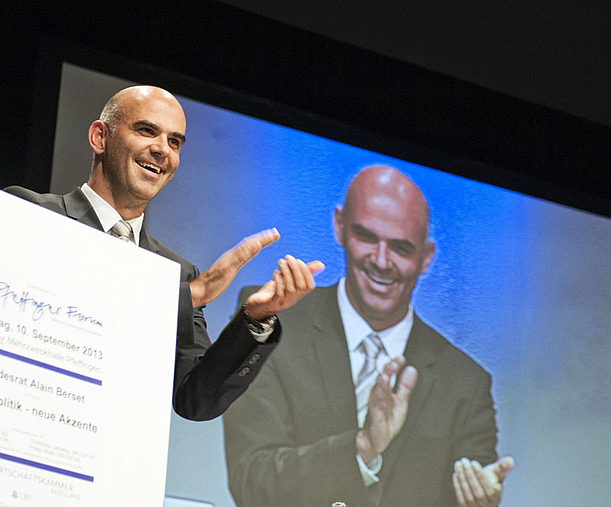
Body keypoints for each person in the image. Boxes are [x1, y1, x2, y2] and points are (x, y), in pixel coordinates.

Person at [3, 85, 323, 421]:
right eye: (146, 131)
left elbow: (196, 401)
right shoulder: (32, 214)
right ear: (100, 137)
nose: (162, 150)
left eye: (175, 142)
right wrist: (193, 294)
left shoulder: (177, 272)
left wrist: (255, 318)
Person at [224, 166, 513, 507]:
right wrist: (362, 447)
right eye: (367, 236)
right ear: (340, 227)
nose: (380, 260)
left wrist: (480, 502)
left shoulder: (466, 383)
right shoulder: (272, 323)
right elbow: (251, 481)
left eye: (401, 248)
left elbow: (474, 490)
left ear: (426, 257)